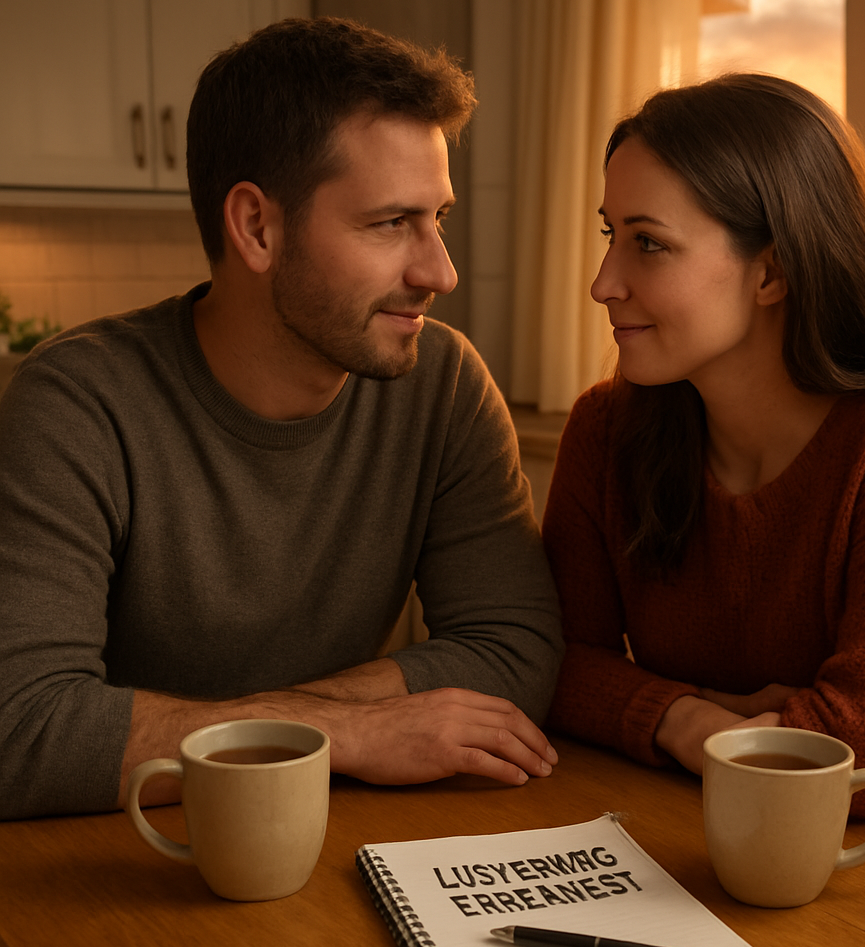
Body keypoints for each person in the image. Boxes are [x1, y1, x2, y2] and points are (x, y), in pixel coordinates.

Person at [0, 17, 562, 821]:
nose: (439, 270)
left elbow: (516, 651)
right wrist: (346, 731)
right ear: (257, 227)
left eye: (437, 217)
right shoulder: (78, 404)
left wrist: (255, 726)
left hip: (321, 832)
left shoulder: (443, 383)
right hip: (130, 851)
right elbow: (20, 727)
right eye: (390, 222)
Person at [542, 73, 865, 860]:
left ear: (771, 271)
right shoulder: (607, 428)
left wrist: (649, 710)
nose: (604, 284)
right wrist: (694, 720)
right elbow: (553, 662)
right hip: (711, 842)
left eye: (649, 243)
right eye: (610, 236)